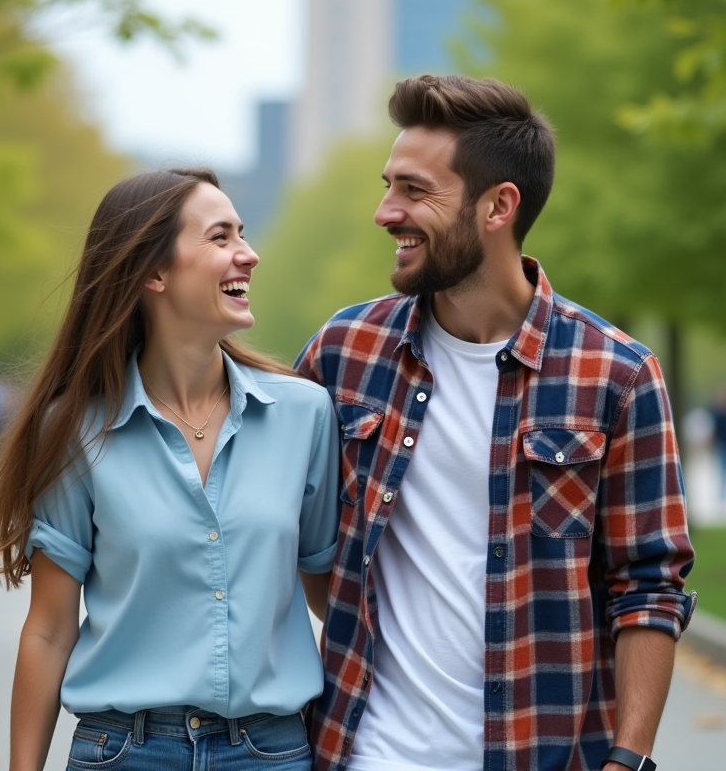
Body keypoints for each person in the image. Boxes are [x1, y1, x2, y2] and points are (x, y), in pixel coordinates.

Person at [296, 75, 695, 771]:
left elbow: (649, 587)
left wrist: (627, 760)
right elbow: (297, 530)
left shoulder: (618, 374)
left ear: (498, 206)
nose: (385, 212)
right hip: (366, 754)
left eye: (414, 190)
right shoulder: (344, 352)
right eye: (388, 186)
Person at [0, 169, 340, 771]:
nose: (249, 254)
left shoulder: (304, 414)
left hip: (269, 752)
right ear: (154, 273)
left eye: (242, 234)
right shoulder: (75, 431)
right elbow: (49, 629)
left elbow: (333, 596)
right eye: (220, 237)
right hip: (124, 752)